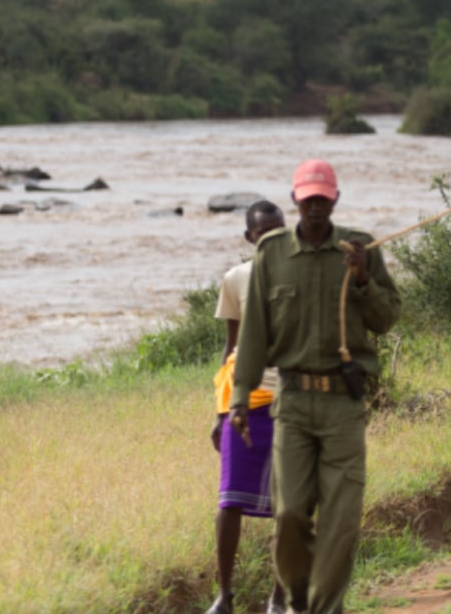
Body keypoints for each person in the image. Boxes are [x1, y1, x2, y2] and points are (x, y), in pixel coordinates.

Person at [229, 159, 400, 614]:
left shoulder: (361, 247)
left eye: (323, 198)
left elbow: (386, 321)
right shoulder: (272, 254)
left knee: (341, 523)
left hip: (344, 404)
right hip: (294, 403)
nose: (316, 206)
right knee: (288, 516)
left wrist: (363, 278)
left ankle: (323, 609)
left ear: (336, 199)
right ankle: (304, 602)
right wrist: (240, 397)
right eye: (308, 200)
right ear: (295, 201)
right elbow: (254, 333)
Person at [207, 200, 289, 614]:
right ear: (250, 238)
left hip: (289, 402)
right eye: (265, 233)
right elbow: (230, 348)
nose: (273, 238)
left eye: (280, 230)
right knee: (228, 501)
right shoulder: (236, 279)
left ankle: (278, 598)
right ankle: (224, 596)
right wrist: (218, 413)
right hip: (243, 403)